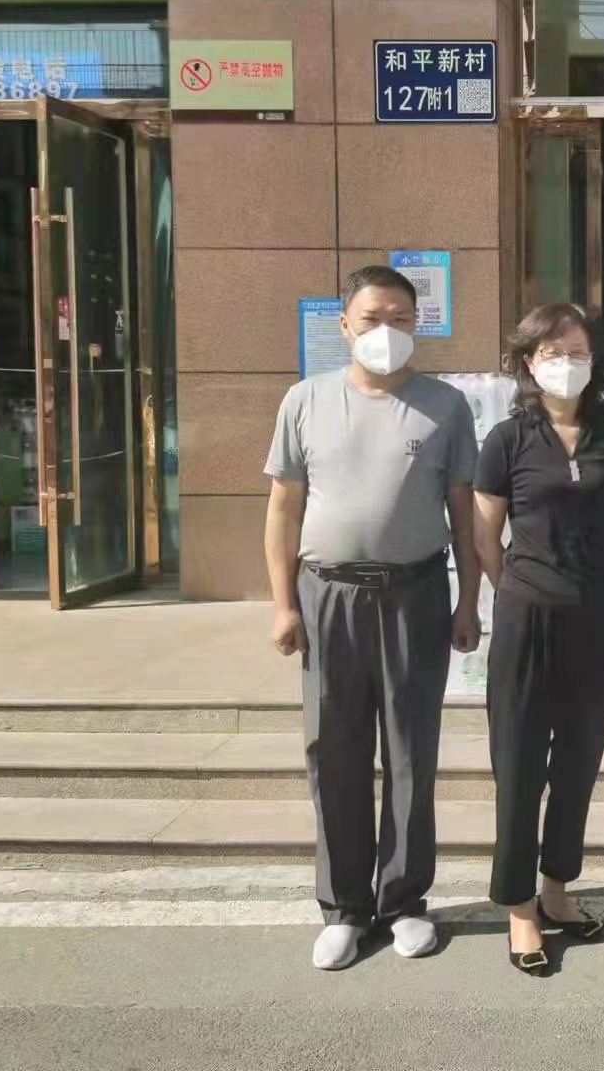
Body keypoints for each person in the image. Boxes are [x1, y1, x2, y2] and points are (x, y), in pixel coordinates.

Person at [264, 265, 481, 971]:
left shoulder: (445, 406)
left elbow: (464, 515)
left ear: (418, 324)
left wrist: (469, 599)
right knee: (335, 749)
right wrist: (282, 604)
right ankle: (344, 908)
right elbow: (283, 509)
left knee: (411, 750)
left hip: (415, 592)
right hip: (328, 593)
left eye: (400, 318)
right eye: (372, 318)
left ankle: (405, 900)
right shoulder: (305, 400)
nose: (387, 330)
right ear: (345, 325)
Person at [473, 304, 604, 977]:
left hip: (596, 619)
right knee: (518, 765)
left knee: (577, 763)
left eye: (577, 351)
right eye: (551, 352)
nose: (565, 363)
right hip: (527, 622)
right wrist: (524, 587)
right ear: (527, 362)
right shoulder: (506, 440)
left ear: (595, 361)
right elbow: (486, 538)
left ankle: (556, 890)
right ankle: (519, 907)